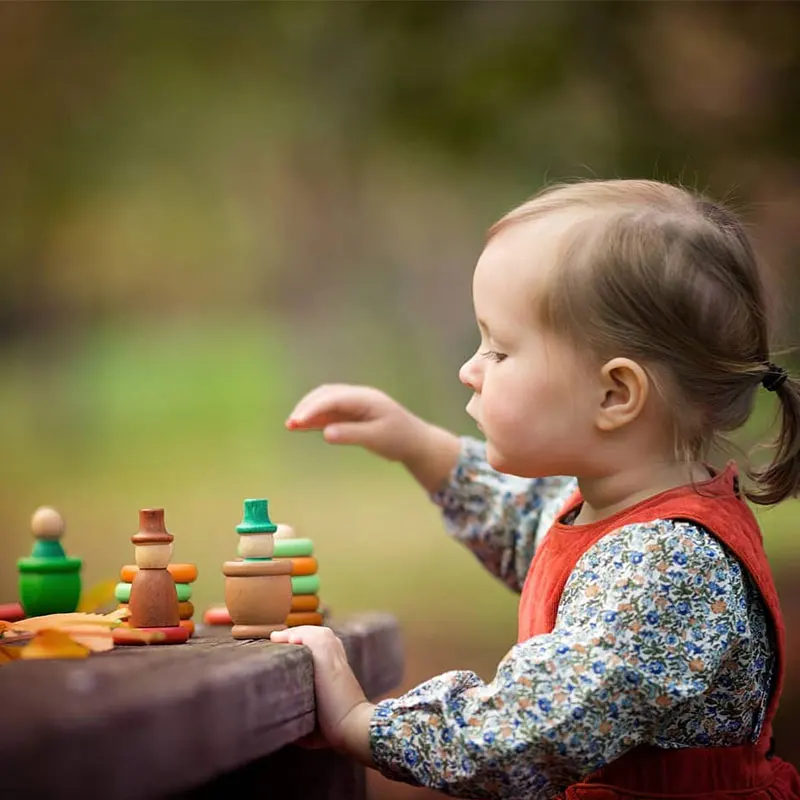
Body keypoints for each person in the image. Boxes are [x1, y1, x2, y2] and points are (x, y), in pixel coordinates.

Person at [270, 179, 800, 799]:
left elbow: (524, 732)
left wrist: (363, 726)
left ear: (615, 394)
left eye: (498, 349)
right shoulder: (617, 516)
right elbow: (527, 523)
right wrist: (418, 444)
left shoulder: (668, 566)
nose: (469, 369)